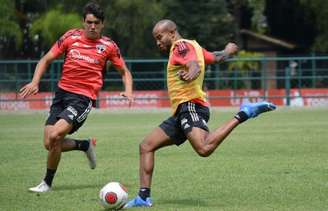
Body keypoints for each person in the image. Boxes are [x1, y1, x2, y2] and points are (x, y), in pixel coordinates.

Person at [124, 19, 276, 208]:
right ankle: (143, 197)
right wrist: (228, 50)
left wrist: (192, 72)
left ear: (172, 33)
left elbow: (193, 64)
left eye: (159, 37)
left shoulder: (180, 46)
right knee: (146, 146)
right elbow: (216, 57)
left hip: (191, 106)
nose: (157, 42)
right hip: (181, 111)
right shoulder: (193, 46)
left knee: (204, 148)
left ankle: (244, 113)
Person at [19, 2, 133, 193]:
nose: (93, 26)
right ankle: (84, 145)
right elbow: (46, 59)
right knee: (49, 143)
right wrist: (34, 82)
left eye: (97, 22)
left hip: (82, 99)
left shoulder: (108, 46)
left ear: (102, 24)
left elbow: (124, 71)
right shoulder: (70, 37)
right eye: (89, 22)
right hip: (61, 94)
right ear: (83, 22)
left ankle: (46, 183)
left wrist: (128, 90)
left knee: (55, 136)